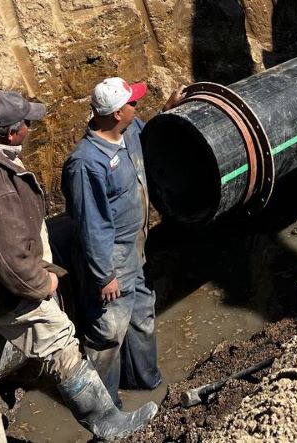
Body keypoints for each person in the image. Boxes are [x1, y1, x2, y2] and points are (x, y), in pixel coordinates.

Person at [0, 89, 156, 443]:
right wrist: (44, 284)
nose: (31, 127)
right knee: (62, 348)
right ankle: (108, 422)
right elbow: (10, 262)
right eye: (26, 123)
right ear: (10, 133)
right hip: (8, 294)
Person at [62, 77, 193, 407]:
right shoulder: (86, 164)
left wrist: (168, 110)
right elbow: (91, 226)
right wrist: (104, 275)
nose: (138, 106)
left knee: (141, 315)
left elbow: (150, 137)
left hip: (136, 248)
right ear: (118, 112)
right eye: (133, 103)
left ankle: (146, 381)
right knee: (108, 332)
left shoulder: (129, 131)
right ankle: (107, 409)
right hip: (110, 257)